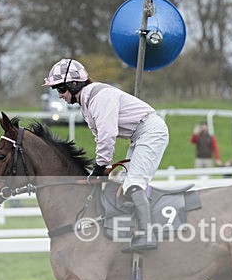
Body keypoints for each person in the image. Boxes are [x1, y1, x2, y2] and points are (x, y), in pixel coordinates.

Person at [42, 58, 169, 253]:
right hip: (139, 135)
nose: (59, 95)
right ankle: (132, 230)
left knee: (133, 184)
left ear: (73, 84)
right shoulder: (87, 103)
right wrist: (101, 168)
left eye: (60, 89)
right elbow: (100, 138)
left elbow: (107, 135)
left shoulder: (99, 98)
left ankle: (147, 235)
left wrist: (100, 167)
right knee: (123, 188)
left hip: (150, 132)